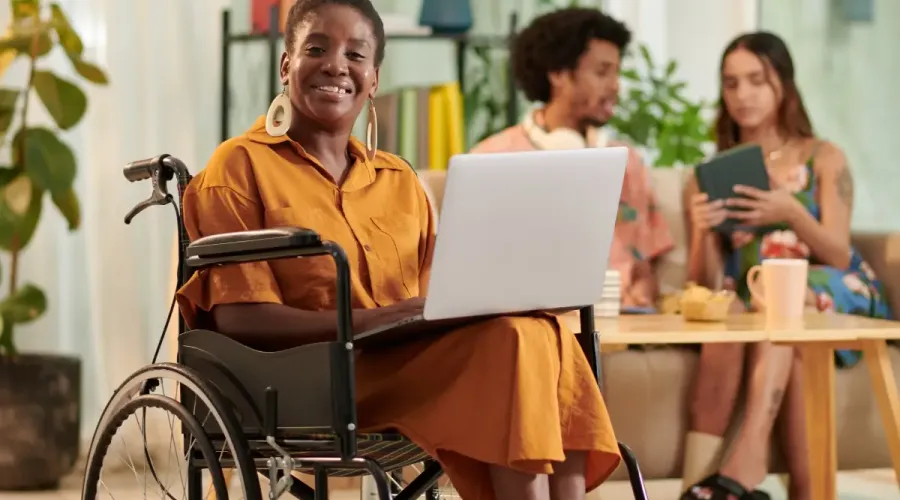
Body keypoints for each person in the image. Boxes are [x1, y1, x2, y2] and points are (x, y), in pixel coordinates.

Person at [174, 1, 623, 499]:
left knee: (538, 329)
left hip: (404, 366)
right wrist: (373, 320)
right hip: (311, 378)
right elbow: (240, 321)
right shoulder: (238, 166)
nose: (336, 65)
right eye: (316, 48)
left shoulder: (398, 179)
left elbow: (438, 298)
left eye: (356, 55)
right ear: (286, 65)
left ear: (373, 80)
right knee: (513, 342)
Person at [679, 31, 892, 500]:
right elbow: (703, 285)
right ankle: (721, 487)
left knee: (779, 296)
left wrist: (791, 211)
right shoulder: (711, 174)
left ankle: (747, 456)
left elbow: (838, 253)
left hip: (840, 291)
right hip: (770, 306)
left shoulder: (822, 157)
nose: (743, 95)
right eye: (731, 83)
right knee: (765, 315)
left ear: (784, 85)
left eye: (757, 80)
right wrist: (701, 229)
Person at [470, 7, 674, 310]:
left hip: (619, 322)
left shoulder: (626, 161)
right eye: (602, 72)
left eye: (617, 72)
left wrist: (644, 291)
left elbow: (645, 267)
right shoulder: (490, 158)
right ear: (558, 75)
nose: (615, 86)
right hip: (529, 320)